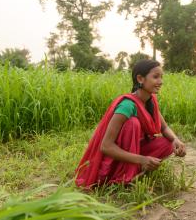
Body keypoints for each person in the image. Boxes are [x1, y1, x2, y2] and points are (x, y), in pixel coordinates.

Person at [75, 59, 186, 189]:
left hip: (134, 150)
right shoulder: (127, 105)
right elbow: (106, 146)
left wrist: (175, 139)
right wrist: (142, 159)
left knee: (167, 143)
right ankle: (120, 177)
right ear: (140, 79)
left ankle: (137, 171)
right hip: (114, 157)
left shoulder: (150, 100)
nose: (160, 81)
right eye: (155, 77)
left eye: (161, 77)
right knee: (132, 123)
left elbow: (164, 127)